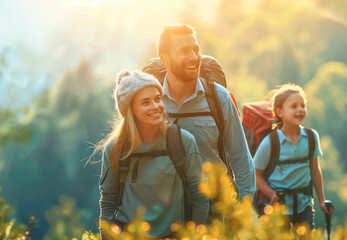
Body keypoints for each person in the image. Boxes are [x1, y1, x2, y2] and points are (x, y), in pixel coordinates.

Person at [95, 70, 209, 238]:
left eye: (157, 99)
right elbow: (108, 201)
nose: (156, 107)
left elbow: (200, 194)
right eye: (145, 102)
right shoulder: (115, 148)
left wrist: (195, 236)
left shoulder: (182, 141)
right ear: (130, 109)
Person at [155, 24, 255, 199]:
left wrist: (244, 209)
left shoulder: (219, 98)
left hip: (213, 204)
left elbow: (241, 159)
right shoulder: (153, 102)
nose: (194, 57)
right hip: (165, 205)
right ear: (165, 59)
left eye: (196, 49)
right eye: (184, 51)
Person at [253, 83, 329, 229]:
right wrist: (271, 194)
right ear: (279, 112)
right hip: (278, 207)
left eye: (302, 105)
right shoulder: (270, 143)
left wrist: (321, 200)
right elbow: (256, 175)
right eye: (294, 106)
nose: (300, 109)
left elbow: (314, 169)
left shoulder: (312, 137)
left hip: (304, 203)